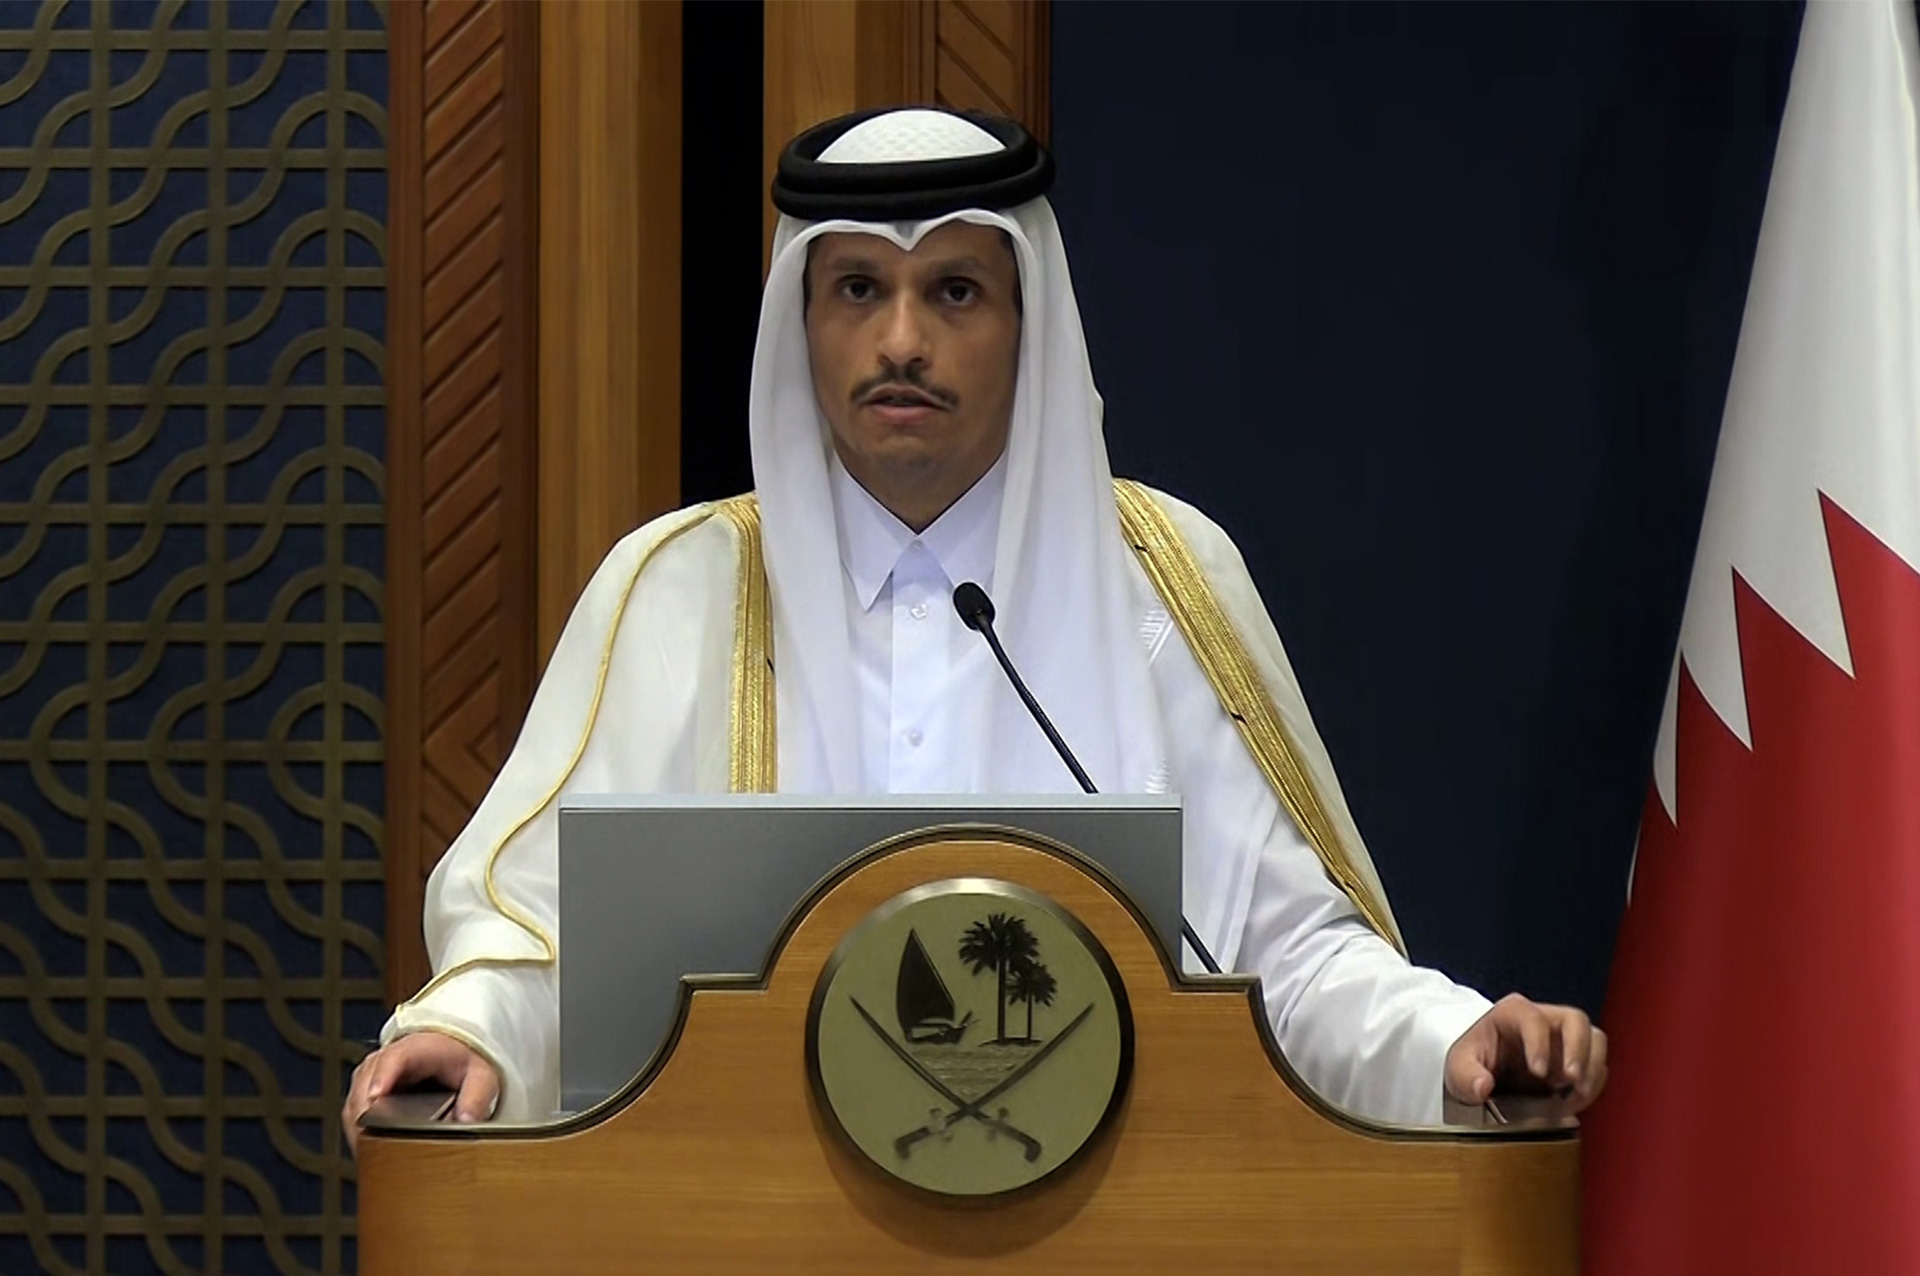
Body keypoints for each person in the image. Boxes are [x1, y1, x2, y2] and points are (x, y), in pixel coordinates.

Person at [344, 108, 1606, 1152]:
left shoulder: (1163, 577)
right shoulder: (677, 588)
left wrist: (1451, 1039)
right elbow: (543, 943)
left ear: (1028, 321)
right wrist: (469, 1033)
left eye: (953, 290)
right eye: (858, 288)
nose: (902, 340)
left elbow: (1288, 960)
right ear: (801, 318)